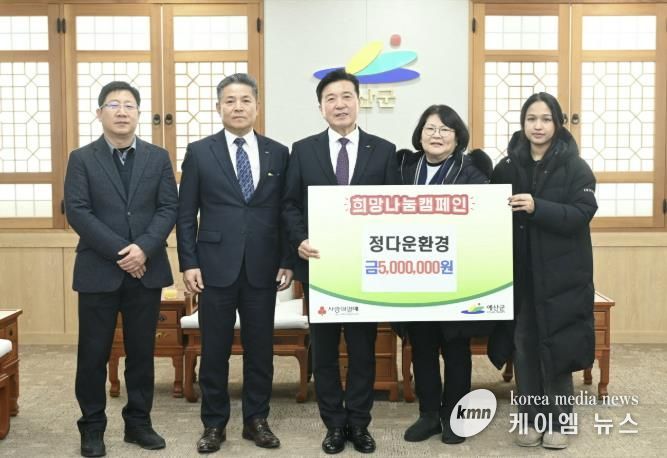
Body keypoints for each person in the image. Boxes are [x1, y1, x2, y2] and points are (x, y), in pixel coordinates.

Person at [282, 69, 399, 455]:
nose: (340, 104)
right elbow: (290, 204)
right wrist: (299, 240)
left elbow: (393, 208)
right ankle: (333, 424)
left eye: (346, 96)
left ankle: (360, 423)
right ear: (321, 107)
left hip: (366, 270)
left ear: (358, 102)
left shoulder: (384, 150)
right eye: (330, 98)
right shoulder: (303, 150)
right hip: (321, 268)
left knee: (363, 349)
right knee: (325, 350)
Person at [176, 73, 293, 454]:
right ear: (218, 107)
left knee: (260, 350)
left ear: (257, 106)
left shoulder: (278, 152)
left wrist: (287, 259)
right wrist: (189, 262)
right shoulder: (200, 152)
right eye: (230, 100)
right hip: (213, 267)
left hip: (263, 266)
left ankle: (256, 420)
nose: (238, 107)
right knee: (215, 351)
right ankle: (214, 424)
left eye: (245, 100)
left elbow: (286, 211)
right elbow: (185, 213)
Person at [64, 81, 178, 457]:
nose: (122, 111)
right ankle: (92, 427)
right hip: (98, 270)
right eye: (114, 105)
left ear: (138, 114)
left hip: (146, 270)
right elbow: (78, 211)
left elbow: (169, 207)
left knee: (142, 354)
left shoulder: (158, 157)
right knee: (93, 354)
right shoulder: (82, 158)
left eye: (130, 105)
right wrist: (123, 253)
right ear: (99, 113)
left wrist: (143, 248)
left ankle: (138, 424)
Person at [491, 92, 597, 450]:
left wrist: (538, 206)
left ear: (558, 123)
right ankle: (530, 418)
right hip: (520, 275)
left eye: (546, 119)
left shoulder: (576, 167)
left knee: (557, 347)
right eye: (531, 118)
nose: (538, 126)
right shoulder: (506, 167)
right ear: (523, 123)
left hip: (561, 276)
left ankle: (559, 421)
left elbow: (581, 213)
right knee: (523, 347)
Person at [396, 105, 493, 445]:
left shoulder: (472, 172)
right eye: (430, 128)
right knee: (421, 347)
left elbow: (484, 220)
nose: (436, 135)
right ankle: (428, 415)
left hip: (456, 276)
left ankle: (455, 415)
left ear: (457, 137)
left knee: (455, 349)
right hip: (414, 276)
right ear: (420, 134)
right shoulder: (404, 168)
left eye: (444, 130)